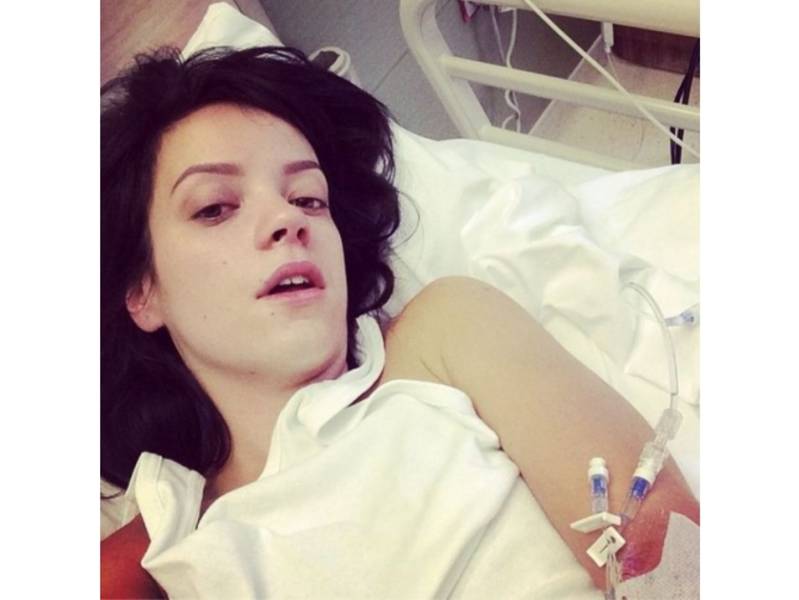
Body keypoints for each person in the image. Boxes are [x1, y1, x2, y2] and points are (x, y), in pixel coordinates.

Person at [101, 46, 699, 598]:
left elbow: (677, 569)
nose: (288, 219)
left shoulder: (444, 337)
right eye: (214, 208)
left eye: (308, 198)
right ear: (142, 292)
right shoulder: (170, 540)